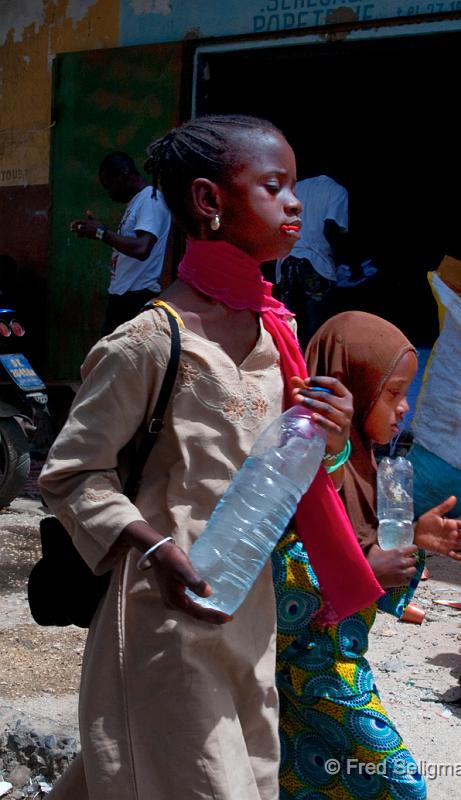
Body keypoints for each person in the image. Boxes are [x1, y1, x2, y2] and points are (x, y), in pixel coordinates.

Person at [39, 116, 383, 800]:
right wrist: (151, 547)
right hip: (164, 609)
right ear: (208, 201)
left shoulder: (275, 336)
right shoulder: (148, 342)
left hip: (246, 611)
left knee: (209, 773)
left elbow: (292, 477)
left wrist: (335, 437)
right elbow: (72, 472)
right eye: (274, 185)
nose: (295, 204)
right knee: (202, 782)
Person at [275, 311, 461, 799]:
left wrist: (417, 538)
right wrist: (362, 571)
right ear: (354, 387)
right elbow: (278, 568)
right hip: (311, 672)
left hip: (345, 661)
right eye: (392, 394)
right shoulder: (300, 464)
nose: (404, 408)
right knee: (398, 782)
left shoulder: (370, 467)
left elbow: (377, 574)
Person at [69, 151, 172, 334]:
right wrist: (96, 231)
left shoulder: (150, 199)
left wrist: (102, 233)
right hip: (122, 296)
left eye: (109, 186)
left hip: (136, 297)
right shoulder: (137, 202)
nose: (109, 194)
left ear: (124, 174)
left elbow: (142, 248)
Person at [276, 174, 350, 349]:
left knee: (289, 328)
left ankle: (290, 370)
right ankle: (309, 370)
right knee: (315, 330)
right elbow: (330, 228)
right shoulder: (336, 190)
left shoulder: (295, 189)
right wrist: (342, 261)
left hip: (286, 263)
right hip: (315, 264)